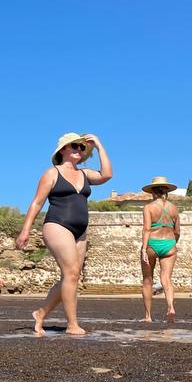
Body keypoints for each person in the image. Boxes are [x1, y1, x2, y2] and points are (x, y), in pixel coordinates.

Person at [16, 132, 113, 336]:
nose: (79, 150)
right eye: (74, 146)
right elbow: (36, 202)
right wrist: (25, 230)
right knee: (71, 274)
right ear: (63, 150)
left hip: (80, 231)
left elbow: (107, 174)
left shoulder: (85, 174)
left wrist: (98, 144)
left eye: (81, 147)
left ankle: (40, 314)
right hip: (57, 225)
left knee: (72, 276)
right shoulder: (52, 173)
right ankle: (72, 324)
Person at [139, 177, 181, 323]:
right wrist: (172, 244)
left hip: (152, 243)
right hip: (169, 243)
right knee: (166, 279)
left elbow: (146, 229)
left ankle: (148, 316)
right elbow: (177, 232)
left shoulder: (149, 208)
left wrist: (144, 249)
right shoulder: (174, 208)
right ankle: (170, 307)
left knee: (147, 280)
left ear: (152, 192)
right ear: (166, 191)